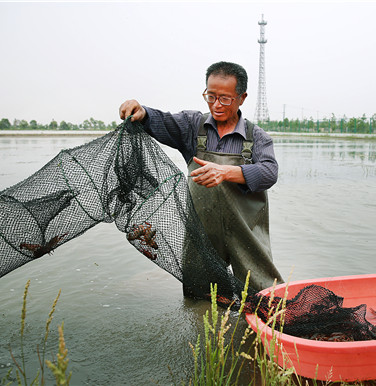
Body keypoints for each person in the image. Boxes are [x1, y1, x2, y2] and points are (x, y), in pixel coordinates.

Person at [119, 61, 284, 291]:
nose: (216, 105)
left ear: (241, 98)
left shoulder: (257, 137)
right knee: (199, 298)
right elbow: (160, 121)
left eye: (225, 98)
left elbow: (269, 172)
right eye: (211, 96)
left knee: (264, 295)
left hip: (246, 234)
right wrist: (142, 111)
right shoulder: (192, 126)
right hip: (202, 235)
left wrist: (226, 172)